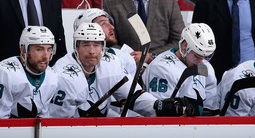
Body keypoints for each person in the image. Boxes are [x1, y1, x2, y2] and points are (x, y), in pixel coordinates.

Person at [49, 22, 200, 117]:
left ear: (103, 47)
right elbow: (57, 123)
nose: (91, 51)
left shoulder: (110, 64)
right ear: (76, 47)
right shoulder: (64, 75)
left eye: (96, 45)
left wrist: (160, 106)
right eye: (86, 45)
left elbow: (133, 97)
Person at [143, 23, 218, 116]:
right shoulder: (161, 68)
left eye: (206, 56)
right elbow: (161, 112)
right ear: (184, 46)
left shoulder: (206, 67)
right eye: (197, 55)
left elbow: (210, 111)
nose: (201, 61)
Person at [0, 26, 58, 118]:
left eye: (49, 49)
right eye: (39, 49)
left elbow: (43, 118)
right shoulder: (6, 73)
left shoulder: (52, 76)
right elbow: (2, 119)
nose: (46, 56)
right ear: (23, 50)